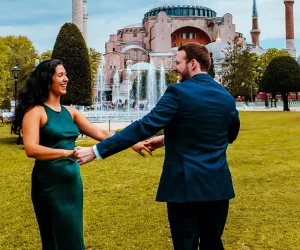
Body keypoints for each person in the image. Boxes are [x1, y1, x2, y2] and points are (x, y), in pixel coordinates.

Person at [75, 43, 240, 250]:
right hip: (218, 188)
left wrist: (96, 151)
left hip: (184, 188)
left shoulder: (178, 92)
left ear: (194, 64)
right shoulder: (226, 97)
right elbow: (228, 135)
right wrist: (166, 139)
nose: (173, 68)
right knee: (213, 244)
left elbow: (143, 126)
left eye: (178, 63)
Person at [12, 59, 150, 250]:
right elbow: (31, 148)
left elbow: (101, 134)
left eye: (65, 75)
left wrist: (132, 142)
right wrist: (67, 153)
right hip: (49, 185)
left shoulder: (71, 112)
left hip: (72, 183)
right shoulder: (35, 112)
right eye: (60, 75)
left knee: (73, 234)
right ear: (47, 80)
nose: (66, 79)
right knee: (56, 238)